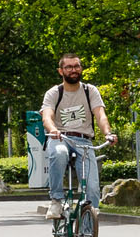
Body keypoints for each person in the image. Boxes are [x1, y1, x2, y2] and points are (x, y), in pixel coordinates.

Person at [41, 54, 118, 221]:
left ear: (81, 69)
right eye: (68, 67)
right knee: (59, 153)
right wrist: (53, 129)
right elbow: (47, 116)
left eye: (76, 66)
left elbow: (100, 115)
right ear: (61, 71)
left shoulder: (90, 91)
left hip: (84, 141)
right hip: (59, 138)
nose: (73, 70)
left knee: (92, 188)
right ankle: (56, 200)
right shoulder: (54, 93)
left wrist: (108, 133)